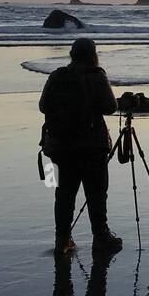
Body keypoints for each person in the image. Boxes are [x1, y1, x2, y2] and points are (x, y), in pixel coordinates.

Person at [39, 37, 124, 255]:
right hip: (91, 146)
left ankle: (62, 239)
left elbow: (42, 106)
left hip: (60, 147)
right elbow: (110, 107)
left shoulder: (57, 75)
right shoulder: (96, 75)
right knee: (96, 193)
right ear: (92, 55)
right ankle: (101, 237)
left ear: (72, 54)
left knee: (64, 193)